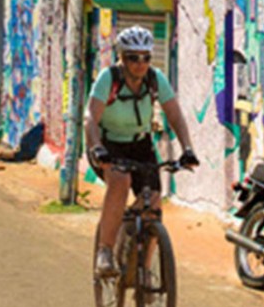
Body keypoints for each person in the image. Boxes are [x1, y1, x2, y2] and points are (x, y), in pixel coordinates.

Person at [85, 26, 199, 276]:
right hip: (107, 143)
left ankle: (144, 269)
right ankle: (105, 251)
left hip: (140, 143)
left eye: (146, 57)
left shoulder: (155, 79)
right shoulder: (109, 78)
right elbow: (90, 119)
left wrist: (188, 148)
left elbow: (175, 115)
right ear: (122, 57)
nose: (140, 64)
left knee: (153, 202)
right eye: (133, 58)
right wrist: (97, 149)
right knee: (120, 181)